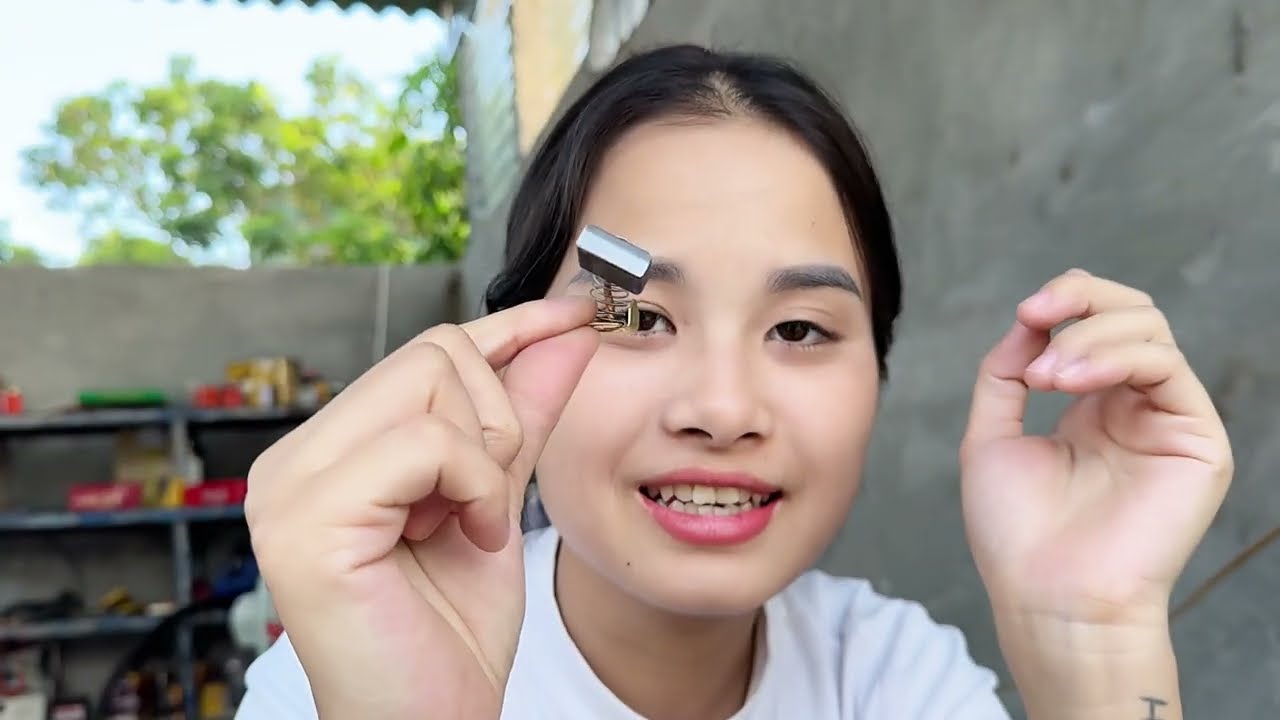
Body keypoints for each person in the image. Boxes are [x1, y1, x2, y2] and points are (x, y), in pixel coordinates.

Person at [233, 44, 1232, 720]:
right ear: (506, 353)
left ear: (875, 373)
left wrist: (1091, 636)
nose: (720, 410)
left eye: (799, 327)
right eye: (634, 315)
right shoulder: (335, 678)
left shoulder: (885, 679)